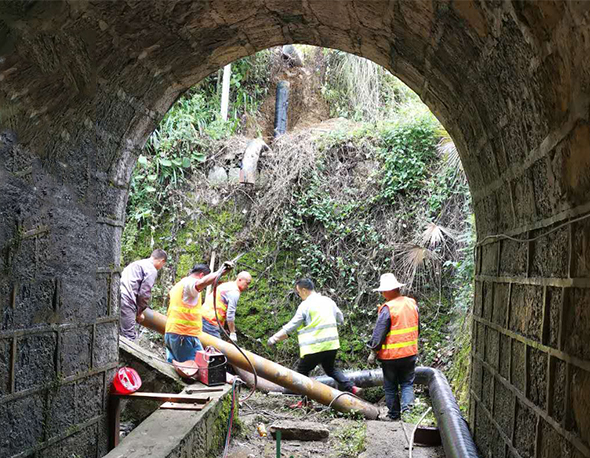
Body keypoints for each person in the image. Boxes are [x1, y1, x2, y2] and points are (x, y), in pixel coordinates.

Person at [267, 278, 360, 405]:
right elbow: (340, 318)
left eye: (298, 293)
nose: (299, 296)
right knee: (331, 369)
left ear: (304, 290)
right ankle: (352, 387)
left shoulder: (305, 305)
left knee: (301, 374)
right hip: (331, 345)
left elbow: (292, 325)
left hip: (314, 347)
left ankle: (306, 402)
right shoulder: (328, 301)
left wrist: (274, 339)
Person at [367, 273, 419, 421]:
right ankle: (408, 414)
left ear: (389, 290)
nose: (382, 293)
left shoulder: (388, 308)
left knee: (390, 386)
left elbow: (379, 333)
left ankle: (393, 415)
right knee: (407, 383)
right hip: (409, 353)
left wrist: (373, 351)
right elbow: (417, 327)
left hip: (390, 356)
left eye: (383, 291)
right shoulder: (411, 303)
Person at [165, 261, 233, 363]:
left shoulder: (180, 284)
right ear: (201, 275)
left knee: (181, 367)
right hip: (183, 335)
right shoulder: (189, 284)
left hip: (175, 332)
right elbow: (200, 283)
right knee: (193, 368)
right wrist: (220, 272)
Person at [119, 249, 167, 340]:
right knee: (129, 336)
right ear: (162, 261)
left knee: (120, 332)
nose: (161, 267)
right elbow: (144, 293)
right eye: (162, 265)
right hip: (128, 300)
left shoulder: (137, 263)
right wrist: (139, 312)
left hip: (118, 296)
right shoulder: (151, 269)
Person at [201, 271, 252, 342]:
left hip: (203, 316)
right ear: (240, 280)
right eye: (247, 283)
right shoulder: (234, 292)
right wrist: (233, 333)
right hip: (210, 321)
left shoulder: (228, 285)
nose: (247, 286)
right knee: (217, 350)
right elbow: (230, 315)